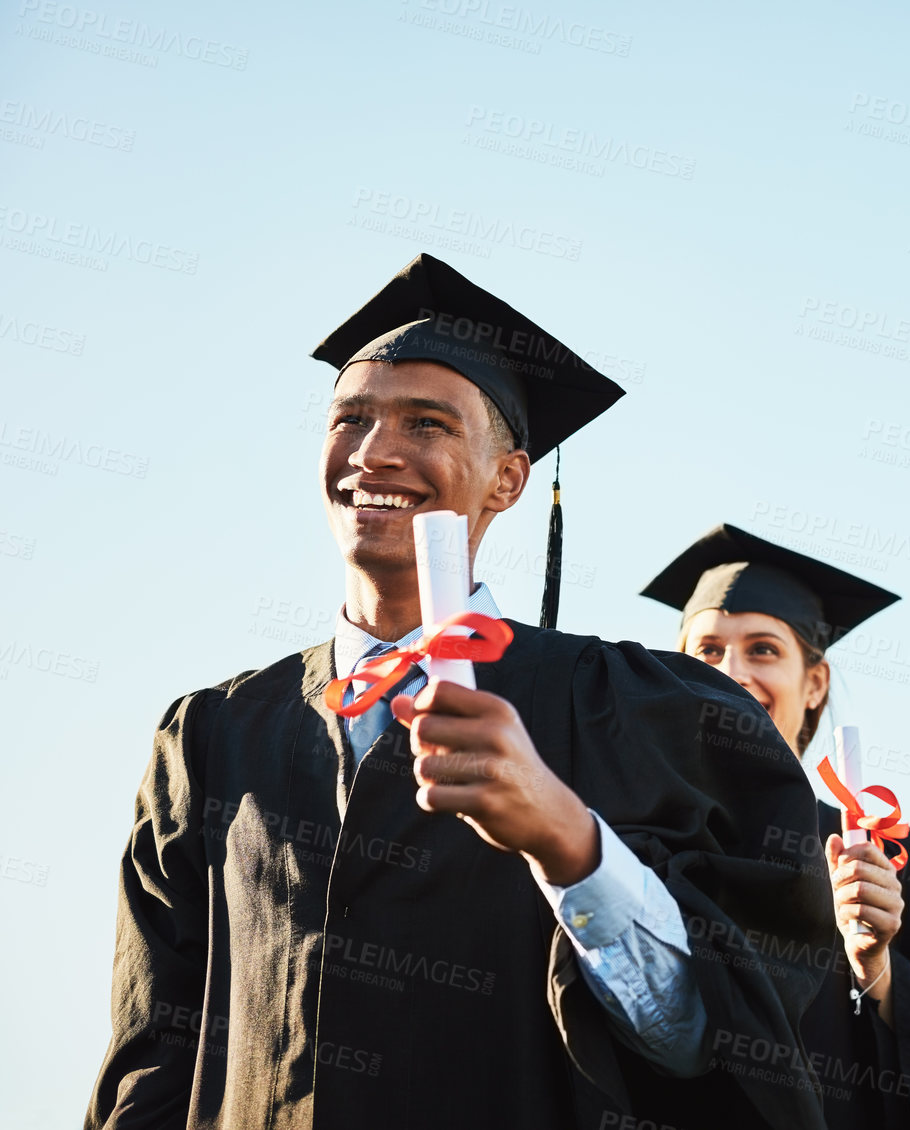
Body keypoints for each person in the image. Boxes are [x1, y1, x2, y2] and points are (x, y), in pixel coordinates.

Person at [86, 254, 836, 1130]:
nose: (374, 452)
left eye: (428, 423)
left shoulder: (626, 710)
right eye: (350, 419)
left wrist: (570, 842)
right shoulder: (215, 734)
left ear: (508, 479)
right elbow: (151, 1049)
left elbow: (715, 1044)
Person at [641, 523, 910, 1130]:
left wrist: (877, 972)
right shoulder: (640, 849)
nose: (731, 671)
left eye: (764, 649)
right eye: (708, 650)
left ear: (816, 682)